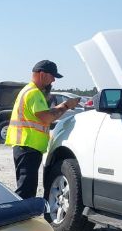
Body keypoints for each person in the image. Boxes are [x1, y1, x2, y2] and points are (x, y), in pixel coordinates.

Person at [5, 60, 80, 199]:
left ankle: (20, 214)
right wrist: (66, 105)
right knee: (26, 190)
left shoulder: (30, 91)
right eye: (52, 76)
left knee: (26, 187)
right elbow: (47, 117)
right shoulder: (33, 93)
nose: (53, 80)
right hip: (28, 146)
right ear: (42, 74)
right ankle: (19, 216)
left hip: (26, 145)